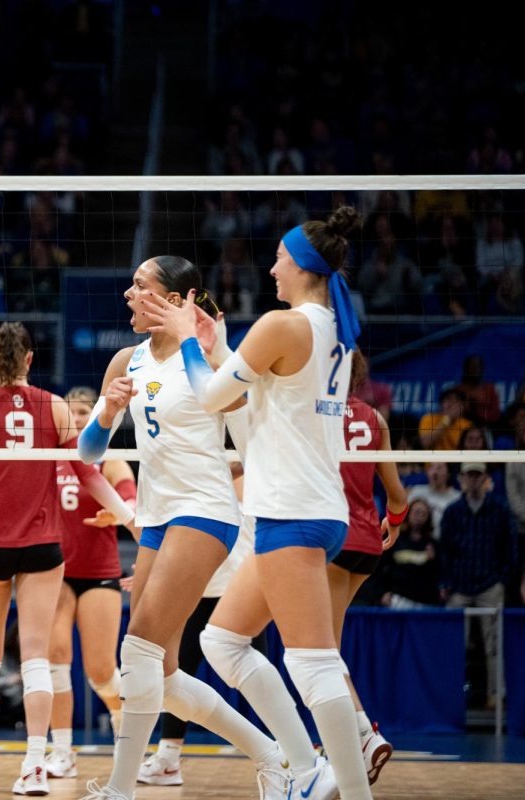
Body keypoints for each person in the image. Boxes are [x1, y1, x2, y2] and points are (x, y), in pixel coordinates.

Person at [140, 207, 375, 800]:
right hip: (314, 505)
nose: (270, 267)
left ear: (300, 265)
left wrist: (194, 345)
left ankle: (349, 788)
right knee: (222, 641)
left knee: (312, 663)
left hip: (291, 508)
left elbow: (217, 400)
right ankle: (305, 770)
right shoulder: (334, 332)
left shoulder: (282, 323)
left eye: (278, 257)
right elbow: (255, 413)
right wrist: (216, 348)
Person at [76, 256, 289, 800]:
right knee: (162, 674)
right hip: (156, 515)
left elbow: (227, 404)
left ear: (176, 299)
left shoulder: (216, 359)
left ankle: (121, 790)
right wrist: (105, 414)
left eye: (141, 287)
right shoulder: (128, 359)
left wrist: (193, 338)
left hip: (206, 509)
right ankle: (270, 755)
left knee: (137, 651)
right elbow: (88, 453)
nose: (128, 294)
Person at [0, 324, 135, 795]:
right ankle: (33, 766)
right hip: (43, 546)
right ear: (30, 359)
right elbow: (87, 473)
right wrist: (132, 519)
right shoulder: (56, 407)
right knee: (36, 658)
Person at [136, 472, 265, 788]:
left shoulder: (242, 475)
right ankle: (168, 757)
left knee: (256, 676)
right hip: (199, 588)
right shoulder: (200, 475)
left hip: (234, 590)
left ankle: (291, 752)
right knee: (175, 671)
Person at [46, 386, 137, 779]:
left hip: (100, 572)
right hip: (56, 572)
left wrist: (118, 515)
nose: (78, 418)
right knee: (55, 656)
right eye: (71, 413)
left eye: (84, 411)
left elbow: (130, 501)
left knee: (101, 672)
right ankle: (62, 751)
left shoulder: (109, 460)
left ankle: (123, 720)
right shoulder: (49, 458)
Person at [329, 355, 408, 785]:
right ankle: (341, 746)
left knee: (317, 653)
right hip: (365, 543)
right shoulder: (375, 417)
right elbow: (397, 497)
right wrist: (392, 525)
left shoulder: (315, 410)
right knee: (324, 649)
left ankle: (362, 734)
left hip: (330, 537)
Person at [439, 463, 519, 709]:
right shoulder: (452, 512)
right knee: (451, 644)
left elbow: (511, 548)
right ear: (461, 479)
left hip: (489, 586)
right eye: (468, 475)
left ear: (485, 478)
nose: (473, 480)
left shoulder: (500, 509)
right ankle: (449, 696)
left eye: (477, 475)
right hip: (459, 587)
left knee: (494, 645)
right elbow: (444, 551)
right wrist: (446, 582)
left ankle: (496, 696)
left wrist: (502, 579)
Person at [377, 499, 440, 609]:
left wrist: (433, 560)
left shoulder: (433, 544)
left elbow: (437, 574)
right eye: (416, 512)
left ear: (428, 518)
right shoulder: (394, 540)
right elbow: (381, 568)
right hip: (398, 599)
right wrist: (382, 592)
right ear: (408, 514)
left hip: (425, 601)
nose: (419, 517)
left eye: (423, 514)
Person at [406, 462, 461, 539]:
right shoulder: (416, 492)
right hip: (418, 542)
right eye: (431, 468)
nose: (434, 472)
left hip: (447, 542)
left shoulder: (457, 498)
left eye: (439, 468)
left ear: (449, 473)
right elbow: (405, 520)